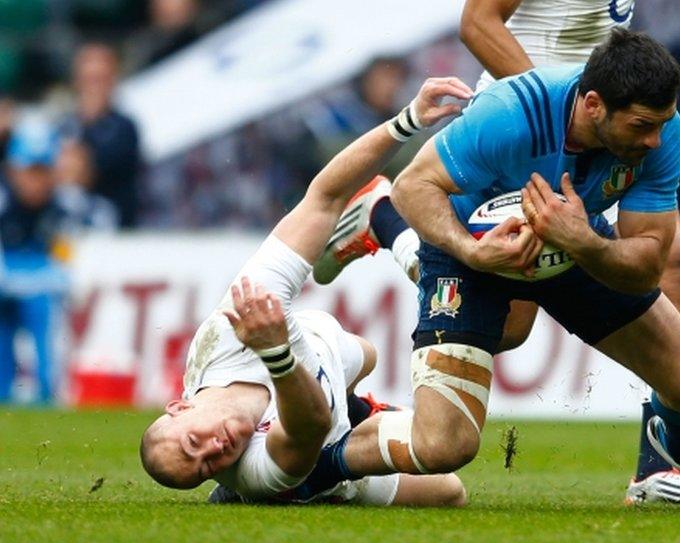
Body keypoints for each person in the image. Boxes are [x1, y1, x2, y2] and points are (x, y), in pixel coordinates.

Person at [320, 29, 680, 512]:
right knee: (445, 447)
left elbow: (647, 265)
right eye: (640, 126)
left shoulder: (663, 134)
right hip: (472, 246)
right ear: (593, 105)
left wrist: (582, 240)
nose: (653, 139)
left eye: (661, 123)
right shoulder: (511, 112)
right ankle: (313, 468)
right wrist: (472, 252)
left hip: (574, 241)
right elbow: (414, 186)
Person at [139, 76, 474, 506]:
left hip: (323, 348)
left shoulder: (226, 335)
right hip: (317, 450)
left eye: (193, 444)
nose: (213, 452)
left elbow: (324, 198)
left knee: (367, 353)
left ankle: (378, 218)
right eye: (207, 468)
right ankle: (342, 443)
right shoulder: (253, 470)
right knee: (449, 490)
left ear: (179, 408)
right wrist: (278, 352)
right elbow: (310, 425)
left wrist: (407, 121)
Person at [0, 117, 72, 403]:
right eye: (30, 171)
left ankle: (47, 393)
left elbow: (69, 266)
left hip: (40, 295)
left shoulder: (65, 206)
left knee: (43, 314)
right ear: (12, 170)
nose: (36, 181)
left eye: (43, 171)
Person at [61, 43, 141, 228]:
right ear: (77, 81)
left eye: (101, 79)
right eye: (89, 79)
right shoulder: (64, 124)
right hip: (67, 229)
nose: (95, 88)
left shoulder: (125, 128)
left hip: (115, 233)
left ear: (113, 81)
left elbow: (84, 170)